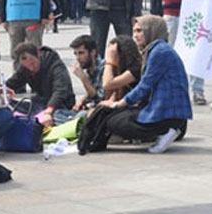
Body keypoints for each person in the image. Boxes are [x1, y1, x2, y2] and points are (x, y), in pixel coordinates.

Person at [108, 15, 192, 153]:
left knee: (115, 122)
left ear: (151, 30)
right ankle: (164, 131)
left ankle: (166, 131)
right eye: (134, 31)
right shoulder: (156, 49)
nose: (135, 35)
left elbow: (144, 85)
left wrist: (121, 103)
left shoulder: (160, 52)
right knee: (118, 118)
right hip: (168, 110)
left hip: (170, 112)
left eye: (140, 31)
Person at [6, 42, 75, 127]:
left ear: (38, 54)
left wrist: (48, 112)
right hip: (39, 104)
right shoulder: (26, 68)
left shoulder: (56, 66)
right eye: (27, 66)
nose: (31, 68)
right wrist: (3, 92)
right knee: (9, 108)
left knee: (56, 116)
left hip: (59, 105)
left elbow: (60, 91)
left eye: (33, 63)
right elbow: (12, 83)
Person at [99, 35, 142, 104]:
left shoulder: (135, 69)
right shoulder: (115, 69)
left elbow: (107, 84)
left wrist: (109, 62)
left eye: (112, 54)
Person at [69, 35, 103, 111]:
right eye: (75, 54)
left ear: (93, 52)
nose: (77, 58)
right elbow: (93, 90)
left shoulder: (104, 68)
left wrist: (83, 78)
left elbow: (98, 98)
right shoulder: (89, 68)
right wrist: (82, 101)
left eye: (81, 53)